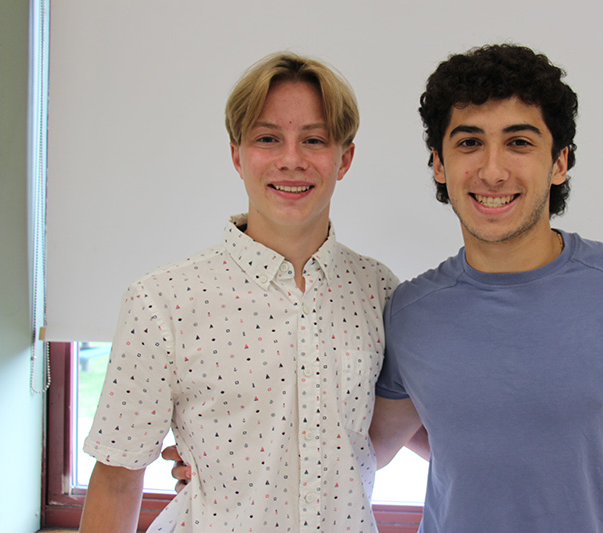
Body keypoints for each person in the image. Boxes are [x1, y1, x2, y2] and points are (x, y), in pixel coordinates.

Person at [369, 44, 603, 532]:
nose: (493, 170)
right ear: (439, 165)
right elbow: (367, 451)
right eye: (469, 143)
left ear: (560, 162)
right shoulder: (410, 312)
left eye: (519, 142)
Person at [79, 52, 397, 533]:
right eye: (268, 138)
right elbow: (118, 478)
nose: (291, 159)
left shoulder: (380, 292)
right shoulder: (163, 300)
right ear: (237, 155)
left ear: (344, 158)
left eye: (314, 140)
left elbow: (378, 441)